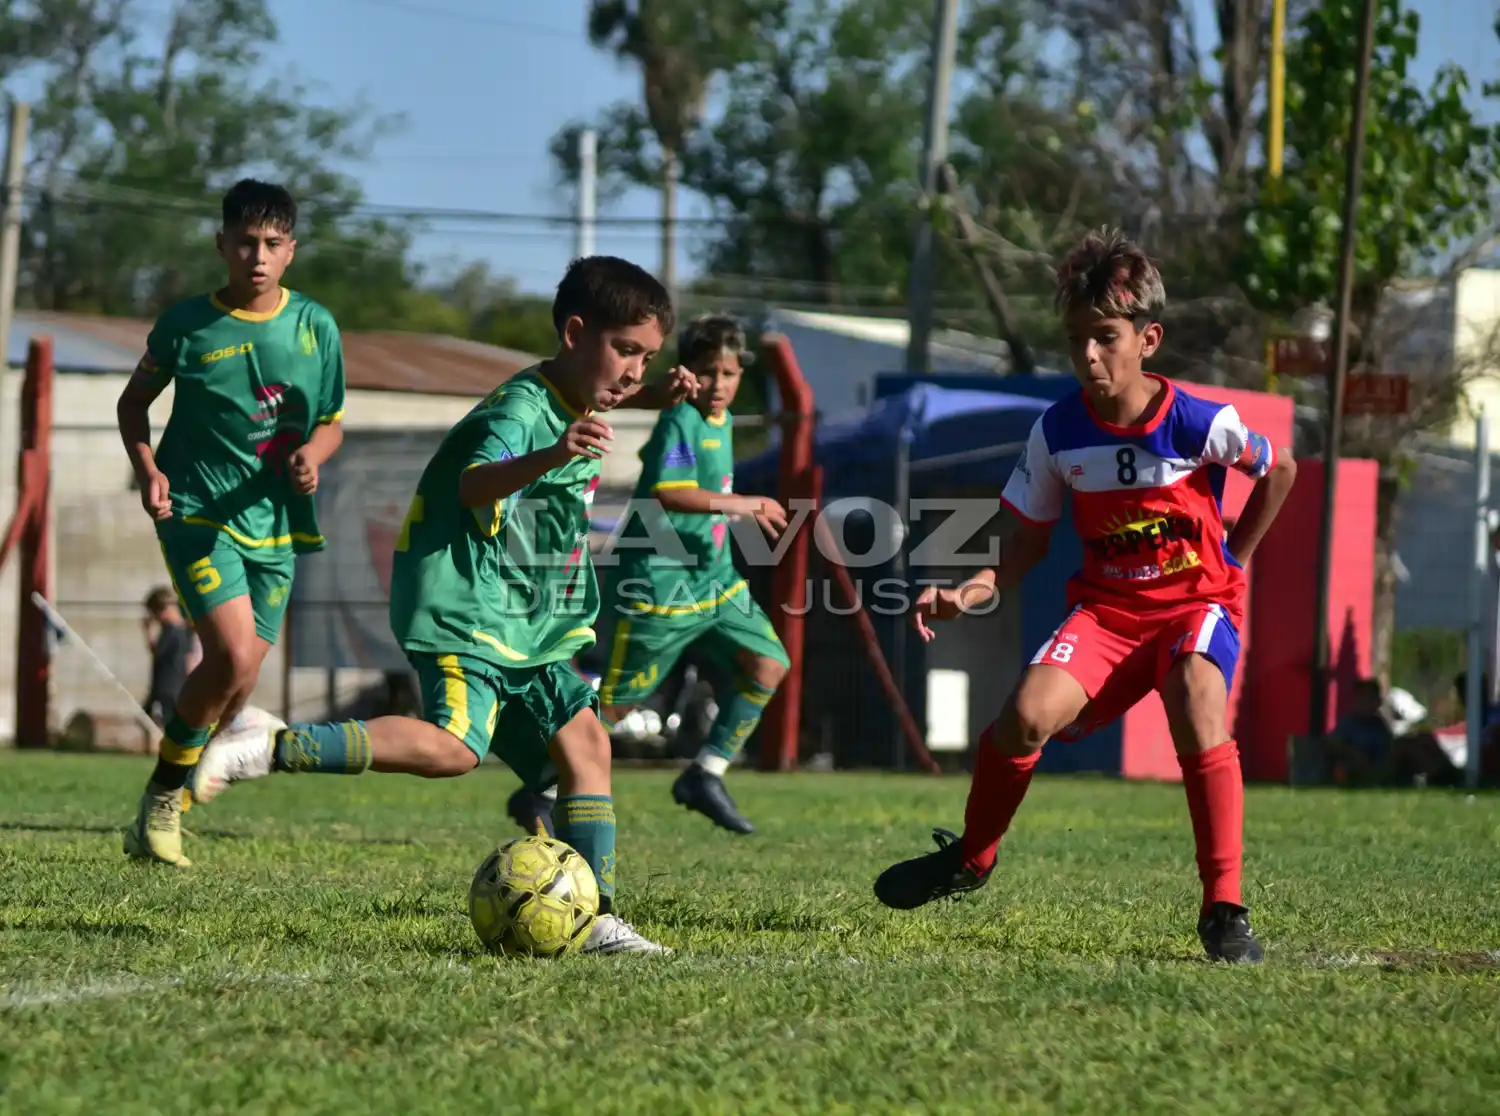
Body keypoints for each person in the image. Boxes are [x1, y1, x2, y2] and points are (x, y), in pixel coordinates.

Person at [192, 255, 691, 955]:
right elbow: (475, 483)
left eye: (648, 356)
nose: (636, 369)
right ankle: (273, 745)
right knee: (456, 748)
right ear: (577, 333)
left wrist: (653, 396)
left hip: (524, 622)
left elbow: (595, 402)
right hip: (466, 606)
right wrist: (551, 456)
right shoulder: (523, 411)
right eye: (627, 351)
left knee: (587, 746)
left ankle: (595, 915)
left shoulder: (575, 398)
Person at [872, 228, 1298, 964]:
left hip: (1194, 607)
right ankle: (973, 858)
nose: (1089, 356)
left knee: (1198, 702)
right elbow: (1029, 539)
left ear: (1148, 339)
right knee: (1026, 718)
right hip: (1107, 612)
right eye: (1076, 341)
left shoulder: (1195, 421)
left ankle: (1224, 908)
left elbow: (1280, 469)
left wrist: (1234, 559)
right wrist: (975, 586)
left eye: (1106, 337)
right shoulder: (1059, 431)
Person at [117, 179, 346, 867]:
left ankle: (171, 800)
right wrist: (148, 469)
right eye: (245, 241)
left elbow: (331, 421)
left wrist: (312, 454)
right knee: (231, 657)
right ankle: (162, 797)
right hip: (194, 511)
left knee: (240, 682)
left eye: (272, 243)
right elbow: (134, 406)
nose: (257, 255)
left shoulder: (316, 328)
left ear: (291, 252)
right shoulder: (186, 325)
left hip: (276, 524)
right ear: (222, 244)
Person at [507, 314, 789, 838]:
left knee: (768, 664)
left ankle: (705, 775)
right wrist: (743, 503)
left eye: (729, 373)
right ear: (686, 373)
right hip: (660, 585)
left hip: (715, 579)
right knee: (616, 705)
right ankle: (540, 788)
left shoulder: (721, 420)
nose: (719, 385)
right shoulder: (679, 419)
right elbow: (668, 492)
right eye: (707, 373)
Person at [1324, 678, 1394, 785]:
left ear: (1378, 701)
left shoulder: (1380, 725)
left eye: (1370, 699)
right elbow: (1334, 742)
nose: (1366, 704)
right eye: (1362, 699)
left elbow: (1387, 751)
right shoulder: (1348, 723)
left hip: (1375, 769)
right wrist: (1354, 753)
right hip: (1352, 767)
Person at [141, 587, 193, 727]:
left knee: (157, 723)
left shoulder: (171, 630)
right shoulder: (184, 630)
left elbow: (157, 652)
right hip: (177, 686)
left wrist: (148, 631)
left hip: (165, 687)